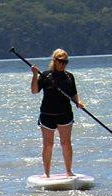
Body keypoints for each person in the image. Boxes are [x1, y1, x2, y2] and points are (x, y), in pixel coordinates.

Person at [30, 48, 85, 178]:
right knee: (48, 144)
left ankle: (69, 171)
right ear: (54, 61)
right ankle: (46, 173)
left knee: (66, 143)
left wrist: (79, 102)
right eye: (60, 61)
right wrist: (35, 75)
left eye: (65, 62)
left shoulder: (69, 76)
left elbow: (74, 93)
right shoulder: (46, 75)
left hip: (65, 114)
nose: (63, 64)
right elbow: (34, 91)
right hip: (47, 114)